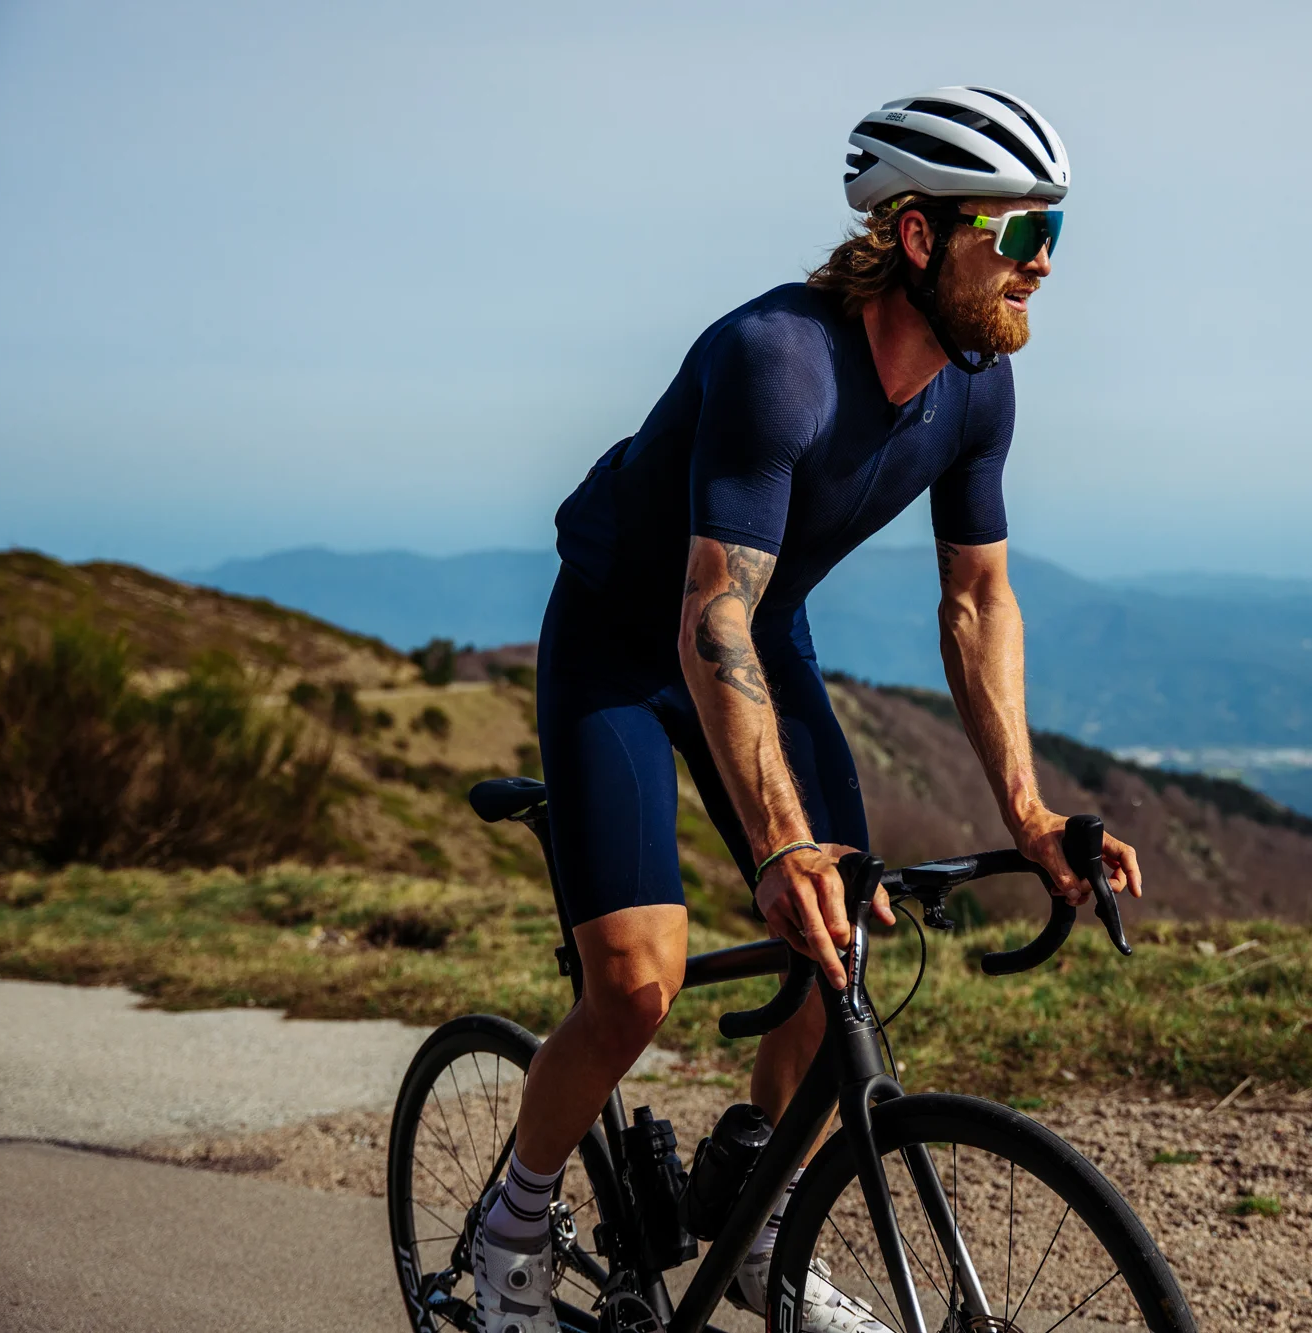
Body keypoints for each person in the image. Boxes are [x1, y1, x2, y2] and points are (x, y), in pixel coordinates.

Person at [470, 86, 1144, 1333]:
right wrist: (778, 841)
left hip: (754, 635)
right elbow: (704, 612)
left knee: (843, 937)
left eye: (1055, 235)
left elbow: (975, 603)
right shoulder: (774, 359)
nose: (1039, 269)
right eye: (1015, 237)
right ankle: (512, 1226)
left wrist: (1032, 811)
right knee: (634, 980)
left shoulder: (976, 389)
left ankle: (762, 1232)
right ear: (913, 236)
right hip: (628, 640)